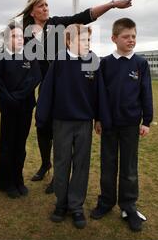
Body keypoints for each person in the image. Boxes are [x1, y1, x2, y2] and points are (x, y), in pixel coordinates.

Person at [15, 0, 135, 193]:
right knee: (42, 128)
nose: (46, 8)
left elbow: (85, 16)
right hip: (43, 86)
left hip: (63, 85)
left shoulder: (57, 24)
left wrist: (113, 4)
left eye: (47, 4)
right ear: (32, 10)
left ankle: (58, 176)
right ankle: (46, 164)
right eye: (41, 6)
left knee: (59, 132)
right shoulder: (25, 32)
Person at [36, 24, 110, 229]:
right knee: (61, 163)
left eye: (89, 40)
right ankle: (61, 203)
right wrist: (42, 119)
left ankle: (76, 206)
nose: (87, 44)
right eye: (83, 40)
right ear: (69, 41)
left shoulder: (92, 60)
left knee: (81, 165)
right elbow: (47, 92)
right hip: (61, 122)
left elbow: (99, 92)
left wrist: (99, 118)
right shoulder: (59, 61)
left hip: (84, 123)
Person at [90, 18, 153, 232]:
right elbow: (99, 95)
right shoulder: (105, 63)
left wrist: (146, 121)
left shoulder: (141, 63)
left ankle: (128, 206)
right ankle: (106, 202)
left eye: (134, 36)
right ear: (114, 38)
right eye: (126, 36)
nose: (131, 40)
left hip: (131, 125)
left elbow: (146, 93)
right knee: (108, 166)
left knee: (129, 168)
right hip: (108, 124)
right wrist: (98, 119)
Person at [0, 23, 41, 198]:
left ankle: (18, 179)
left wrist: (18, 96)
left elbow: (34, 79)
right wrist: (10, 98)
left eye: (20, 36)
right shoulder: (1, 58)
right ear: (6, 39)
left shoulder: (30, 57)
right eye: (14, 36)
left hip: (25, 108)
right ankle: (5, 182)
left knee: (20, 145)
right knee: (7, 145)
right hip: (8, 108)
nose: (18, 39)